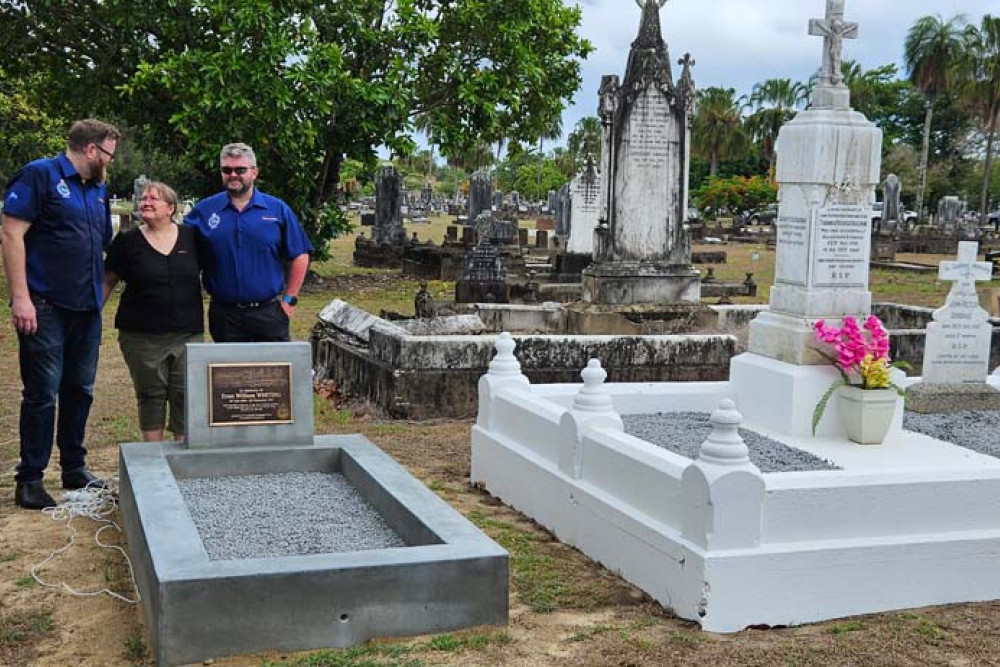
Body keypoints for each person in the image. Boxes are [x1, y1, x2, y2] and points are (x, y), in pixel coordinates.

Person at [2, 118, 120, 510]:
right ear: (91, 150)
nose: (110, 162)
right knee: (42, 393)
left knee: (80, 389)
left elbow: (100, 243)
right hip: (45, 305)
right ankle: (30, 478)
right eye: (109, 154)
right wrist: (21, 297)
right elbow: (11, 233)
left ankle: (74, 466)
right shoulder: (40, 175)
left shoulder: (97, 189)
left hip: (86, 306)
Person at [103, 182, 204, 442]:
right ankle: (154, 458)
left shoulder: (192, 238)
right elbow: (107, 281)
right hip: (141, 336)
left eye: (153, 199)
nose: (145, 202)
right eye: (143, 198)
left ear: (170, 208)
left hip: (187, 334)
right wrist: (90, 316)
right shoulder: (127, 241)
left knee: (186, 394)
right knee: (151, 395)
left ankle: (182, 455)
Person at [184, 143, 312, 342]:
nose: (233, 175)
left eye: (240, 170)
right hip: (224, 315)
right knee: (228, 373)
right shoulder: (204, 211)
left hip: (268, 312)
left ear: (254, 172)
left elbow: (300, 255)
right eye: (227, 170)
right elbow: (178, 245)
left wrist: (289, 301)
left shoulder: (277, 210)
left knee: (273, 372)